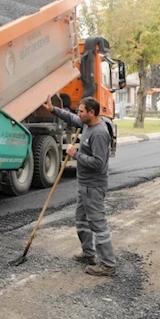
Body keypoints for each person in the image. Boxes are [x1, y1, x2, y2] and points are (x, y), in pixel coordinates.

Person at [43, 96, 117, 277]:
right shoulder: (86, 124)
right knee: (81, 221)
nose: (78, 114)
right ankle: (88, 254)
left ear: (91, 113)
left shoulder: (99, 133)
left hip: (94, 187)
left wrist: (75, 154)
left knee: (98, 224)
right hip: (84, 185)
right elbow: (71, 118)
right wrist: (53, 109)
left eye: (81, 111)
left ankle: (108, 264)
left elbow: (99, 163)